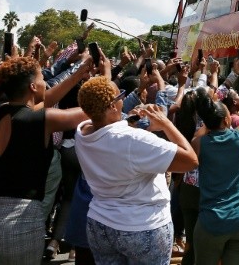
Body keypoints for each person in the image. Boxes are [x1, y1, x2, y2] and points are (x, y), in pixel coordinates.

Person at [0, 56, 90, 264]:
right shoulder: (44, 119)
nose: (44, 84)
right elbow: (92, 111)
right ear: (32, 86)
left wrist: (78, 74)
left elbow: (41, 102)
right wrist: (105, 79)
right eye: (41, 79)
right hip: (17, 223)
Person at [74, 76, 198, 265]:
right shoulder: (133, 140)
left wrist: (132, 123)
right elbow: (190, 160)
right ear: (112, 106)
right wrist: (166, 123)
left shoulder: (82, 133)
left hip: (100, 225)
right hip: (143, 227)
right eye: (120, 96)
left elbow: (113, 138)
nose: (123, 100)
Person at [191, 77, 239, 265]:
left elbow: (197, 136)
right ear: (227, 120)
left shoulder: (199, 144)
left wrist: (206, 123)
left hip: (211, 225)